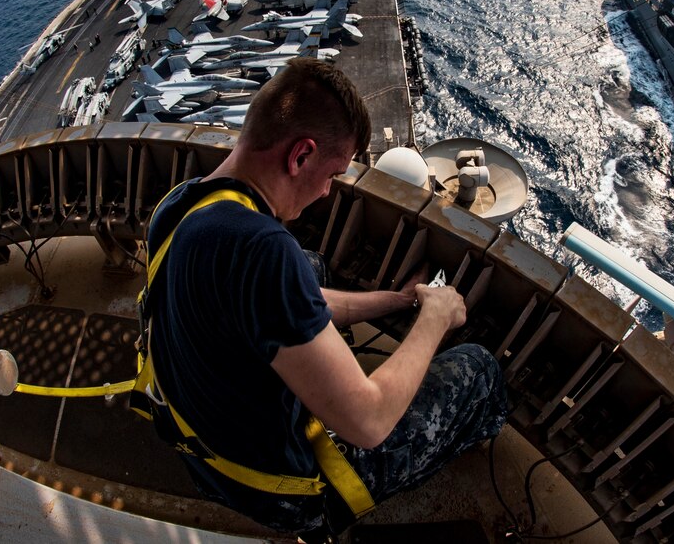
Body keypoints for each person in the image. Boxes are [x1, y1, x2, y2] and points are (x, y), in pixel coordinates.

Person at [145, 57, 506, 536]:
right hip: (275, 493)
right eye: (332, 173)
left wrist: (391, 302)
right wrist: (434, 317)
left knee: (309, 263)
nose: (327, 193)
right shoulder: (264, 254)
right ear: (299, 157)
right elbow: (370, 420)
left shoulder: (181, 204)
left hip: (199, 445)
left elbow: (294, 297)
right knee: (479, 369)